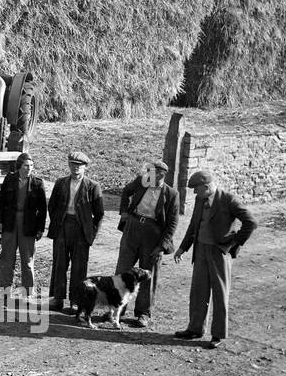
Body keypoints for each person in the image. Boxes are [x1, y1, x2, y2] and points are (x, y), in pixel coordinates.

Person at [172, 170, 256, 349]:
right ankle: (195, 328)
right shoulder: (200, 200)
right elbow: (194, 225)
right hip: (200, 250)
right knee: (198, 292)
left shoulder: (228, 199)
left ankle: (218, 334)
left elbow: (250, 222)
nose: (195, 193)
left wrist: (233, 244)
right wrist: (182, 248)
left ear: (207, 186)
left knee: (220, 293)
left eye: (197, 189)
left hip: (219, 252)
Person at [115, 160, 181, 327]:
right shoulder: (140, 182)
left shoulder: (172, 194)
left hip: (153, 235)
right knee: (122, 269)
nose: (147, 175)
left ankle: (143, 313)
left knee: (148, 274)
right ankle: (117, 310)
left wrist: (162, 246)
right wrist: (124, 212)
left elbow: (172, 223)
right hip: (132, 228)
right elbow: (125, 191)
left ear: (161, 175)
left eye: (151, 172)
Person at [46, 150, 104, 312]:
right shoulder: (61, 183)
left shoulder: (92, 186)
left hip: (81, 231)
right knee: (59, 264)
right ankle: (58, 299)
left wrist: (90, 234)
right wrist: (58, 223)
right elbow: (52, 206)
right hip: (63, 228)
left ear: (85, 167)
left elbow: (99, 214)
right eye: (72, 165)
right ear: (68, 165)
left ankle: (76, 301)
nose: (75, 168)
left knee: (79, 268)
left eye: (79, 166)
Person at [0, 151, 47, 294]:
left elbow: (42, 209)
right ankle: (2, 290)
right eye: (26, 166)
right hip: (10, 223)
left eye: (31, 166)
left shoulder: (37, 183)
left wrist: (40, 229)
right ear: (19, 166)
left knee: (27, 260)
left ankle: (28, 292)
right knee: (6, 258)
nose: (29, 169)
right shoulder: (9, 180)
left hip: (28, 225)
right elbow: (1, 202)